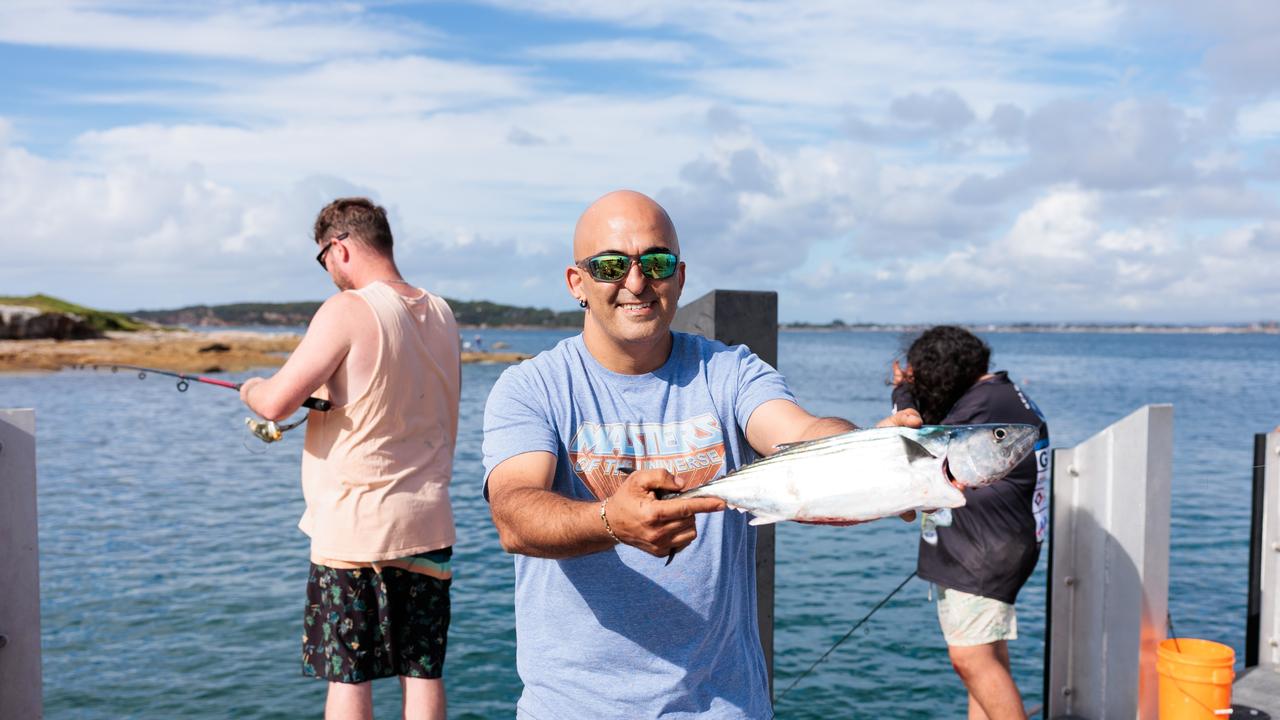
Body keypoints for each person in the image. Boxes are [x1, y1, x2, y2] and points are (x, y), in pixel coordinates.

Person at [481, 189, 921, 718]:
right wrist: (610, 520)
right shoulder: (532, 387)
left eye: (657, 262)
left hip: (725, 706)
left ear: (681, 277)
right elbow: (514, 514)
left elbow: (799, 431)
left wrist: (869, 451)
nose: (637, 282)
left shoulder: (730, 371)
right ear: (578, 283)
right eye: (611, 266)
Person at [240, 197, 461, 720]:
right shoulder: (443, 312)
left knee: (349, 679)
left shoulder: (348, 309)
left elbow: (275, 402)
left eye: (323, 261)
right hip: (428, 521)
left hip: (356, 527)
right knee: (423, 671)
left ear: (338, 248)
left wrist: (250, 387)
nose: (328, 274)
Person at [890, 326, 1049, 720]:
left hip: (981, 553)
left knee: (971, 660)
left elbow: (914, 433)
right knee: (988, 657)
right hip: (1007, 543)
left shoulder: (981, 408)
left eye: (920, 374)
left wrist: (903, 392)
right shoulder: (1002, 395)